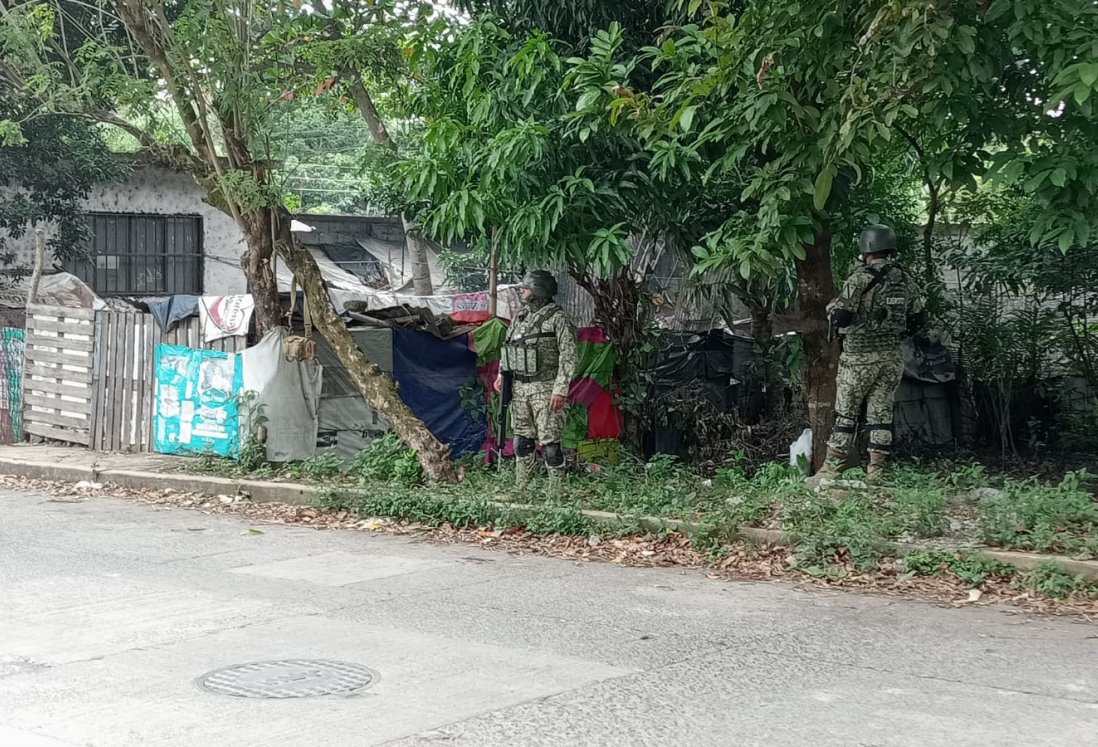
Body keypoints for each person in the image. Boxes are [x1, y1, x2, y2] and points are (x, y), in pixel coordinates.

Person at [810, 224, 926, 484]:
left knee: (846, 414)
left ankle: (830, 470)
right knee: (881, 414)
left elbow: (841, 316)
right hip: (892, 359)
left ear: (866, 250)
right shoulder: (906, 279)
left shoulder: (860, 279)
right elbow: (919, 319)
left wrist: (834, 313)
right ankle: (877, 470)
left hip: (858, 359)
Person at [498, 270, 577, 490]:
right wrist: (500, 374)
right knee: (521, 442)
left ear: (538, 291)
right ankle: (521, 488)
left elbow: (569, 356)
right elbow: (509, 347)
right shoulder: (521, 315)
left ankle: (556, 494)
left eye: (525, 288)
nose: (522, 291)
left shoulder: (558, 319)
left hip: (547, 388)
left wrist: (560, 389)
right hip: (519, 387)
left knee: (550, 445)